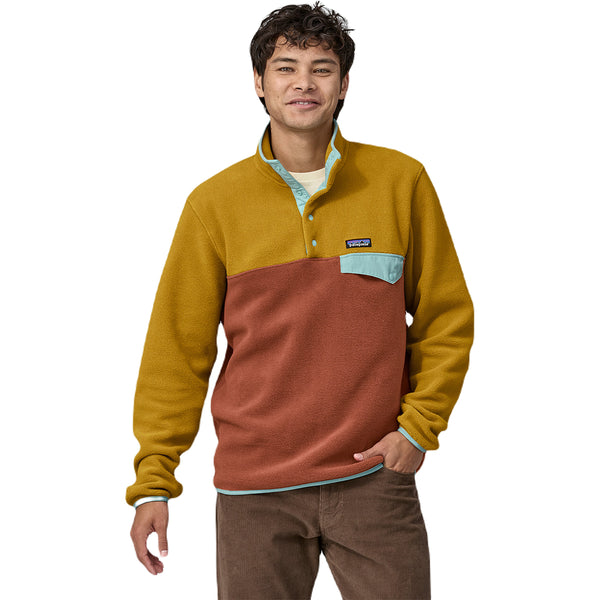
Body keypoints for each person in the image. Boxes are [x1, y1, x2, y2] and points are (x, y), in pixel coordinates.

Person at [127, 3, 474, 598]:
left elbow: (446, 318)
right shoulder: (214, 204)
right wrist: (154, 482)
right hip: (254, 491)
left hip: (373, 477)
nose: (303, 83)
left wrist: (417, 430)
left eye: (322, 68)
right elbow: (176, 352)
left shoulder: (401, 182)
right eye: (285, 68)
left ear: (344, 84)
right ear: (259, 83)